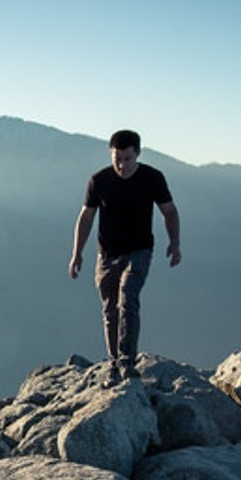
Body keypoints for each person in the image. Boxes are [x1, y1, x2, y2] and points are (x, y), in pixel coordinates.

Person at [67, 128, 181, 381]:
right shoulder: (100, 180)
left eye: (127, 159)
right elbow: (86, 217)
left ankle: (127, 361)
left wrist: (175, 244)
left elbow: (169, 212)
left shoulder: (152, 178)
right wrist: (77, 254)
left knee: (128, 297)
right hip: (106, 254)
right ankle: (114, 361)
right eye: (116, 158)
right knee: (110, 308)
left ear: (137, 154)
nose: (121, 165)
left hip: (139, 251)